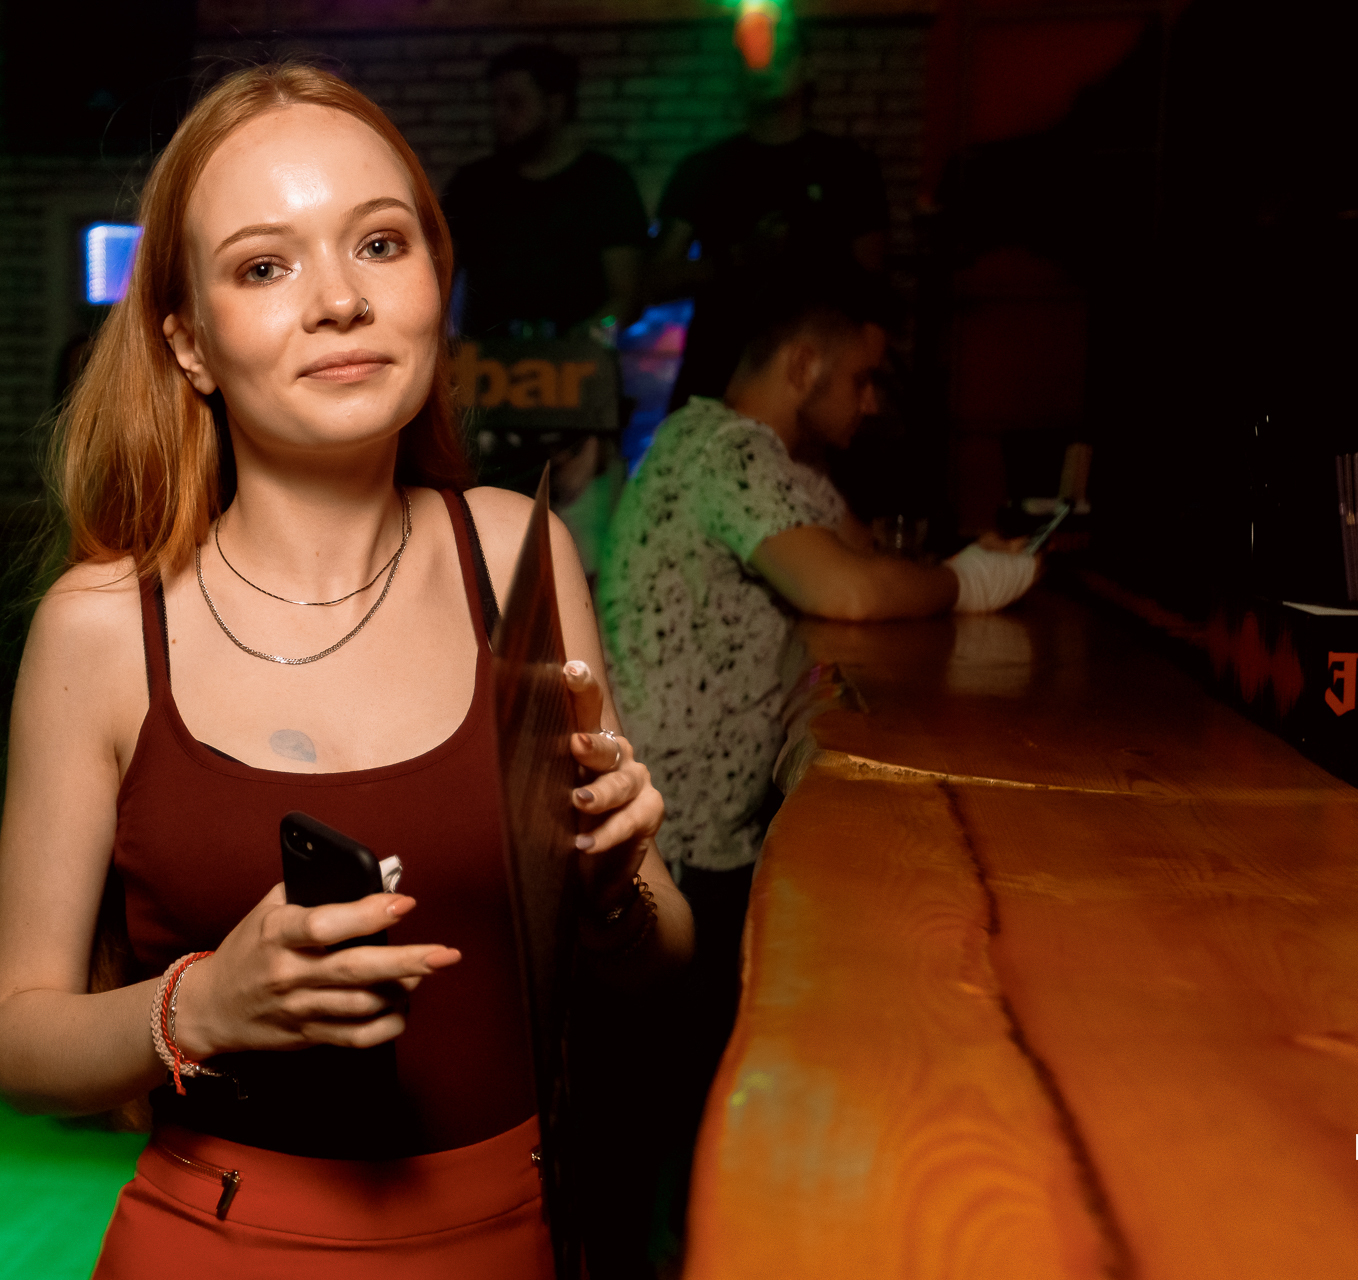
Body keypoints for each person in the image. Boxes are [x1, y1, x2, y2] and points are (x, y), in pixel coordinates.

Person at [0, 64, 691, 1278]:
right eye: (265, 266)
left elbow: (656, 965)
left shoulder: (516, 550)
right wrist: (204, 1005)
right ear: (189, 342)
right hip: (219, 1242)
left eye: (380, 242)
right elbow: (13, 1040)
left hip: (514, 1239)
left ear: (435, 282)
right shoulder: (101, 626)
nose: (341, 299)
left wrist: (615, 886)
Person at [595, 273, 1037, 1259]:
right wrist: (973, 579)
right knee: (682, 1124)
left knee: (689, 1116)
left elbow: (866, 555)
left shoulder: (759, 456)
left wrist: (953, 565)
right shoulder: (726, 447)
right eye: (862, 378)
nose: (871, 402)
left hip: (702, 831)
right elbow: (851, 592)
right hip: (681, 844)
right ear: (803, 365)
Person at [649, 32, 890, 409]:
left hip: (813, 384)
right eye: (752, 55)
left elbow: (871, 289)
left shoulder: (848, 166)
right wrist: (739, 258)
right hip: (718, 376)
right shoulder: (704, 169)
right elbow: (656, 279)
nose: (764, 66)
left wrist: (863, 378)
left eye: (778, 54)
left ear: (807, 68)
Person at [440, 43, 649, 340]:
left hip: (579, 362)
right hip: (484, 361)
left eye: (514, 104)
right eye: (495, 104)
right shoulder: (471, 184)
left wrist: (589, 337)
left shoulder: (607, 183)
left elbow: (627, 298)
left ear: (555, 106)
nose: (499, 116)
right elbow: (437, 280)